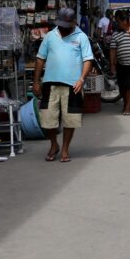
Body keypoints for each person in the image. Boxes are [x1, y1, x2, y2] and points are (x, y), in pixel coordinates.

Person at [33, 8, 94, 163]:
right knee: (47, 119)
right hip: (50, 83)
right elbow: (40, 59)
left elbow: (88, 60)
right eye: (61, 24)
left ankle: (65, 148)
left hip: (73, 85)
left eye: (66, 24)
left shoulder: (81, 37)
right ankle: (54, 144)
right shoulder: (50, 36)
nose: (63, 27)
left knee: (70, 119)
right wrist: (36, 81)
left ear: (74, 23)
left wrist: (81, 79)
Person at [108, 11, 130, 115]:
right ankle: (126, 102)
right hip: (121, 64)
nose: (118, 24)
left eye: (119, 21)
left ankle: (127, 107)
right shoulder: (115, 34)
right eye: (117, 21)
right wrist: (112, 65)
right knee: (122, 86)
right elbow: (113, 50)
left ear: (126, 21)